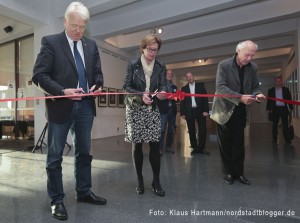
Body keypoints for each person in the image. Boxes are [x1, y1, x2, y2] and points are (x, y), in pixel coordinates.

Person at [32, 2, 106, 220]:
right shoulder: (51, 42)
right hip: (60, 107)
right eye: (74, 25)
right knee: (54, 157)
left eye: (82, 27)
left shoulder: (91, 46)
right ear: (65, 21)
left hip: (85, 106)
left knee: (84, 153)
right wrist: (62, 91)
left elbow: (98, 74)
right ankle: (56, 200)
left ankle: (83, 191)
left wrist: (98, 85)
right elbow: (39, 75)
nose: (78, 31)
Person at [210, 40, 265, 185]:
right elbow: (220, 88)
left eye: (252, 55)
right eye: (247, 54)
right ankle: (228, 172)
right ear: (238, 51)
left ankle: (239, 173)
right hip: (224, 109)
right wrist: (240, 97)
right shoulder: (224, 65)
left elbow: (255, 86)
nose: (250, 58)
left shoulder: (253, 67)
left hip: (241, 110)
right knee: (226, 143)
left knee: (239, 143)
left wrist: (258, 94)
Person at [123, 34, 167, 197]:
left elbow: (163, 86)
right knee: (138, 145)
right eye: (150, 49)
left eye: (156, 50)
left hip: (152, 108)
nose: (153, 53)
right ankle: (139, 179)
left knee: (155, 144)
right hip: (135, 108)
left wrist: (162, 94)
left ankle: (156, 181)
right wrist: (142, 95)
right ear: (143, 48)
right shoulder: (133, 64)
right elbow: (126, 87)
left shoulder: (161, 66)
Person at [180, 72, 210, 156]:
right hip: (189, 111)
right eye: (187, 77)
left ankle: (201, 148)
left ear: (194, 77)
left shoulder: (200, 86)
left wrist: (206, 110)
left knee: (203, 129)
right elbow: (182, 101)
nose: (189, 78)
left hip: (200, 111)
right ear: (186, 79)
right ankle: (194, 148)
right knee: (191, 130)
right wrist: (182, 113)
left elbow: (205, 99)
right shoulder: (184, 88)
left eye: (190, 76)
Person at [266, 76, 293, 144]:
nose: (278, 82)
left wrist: (291, 108)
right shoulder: (271, 90)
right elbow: (269, 101)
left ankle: (287, 139)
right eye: (276, 81)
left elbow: (289, 99)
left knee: (285, 124)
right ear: (275, 82)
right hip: (275, 109)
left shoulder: (286, 89)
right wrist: (268, 109)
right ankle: (274, 139)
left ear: (281, 82)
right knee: (274, 125)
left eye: (279, 81)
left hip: (284, 109)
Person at [158, 69, 177, 155]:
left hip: (172, 110)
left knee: (171, 130)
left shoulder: (174, 87)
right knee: (162, 130)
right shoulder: (161, 86)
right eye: (168, 74)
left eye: (171, 74)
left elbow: (176, 99)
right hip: (163, 111)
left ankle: (168, 147)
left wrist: (177, 97)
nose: (169, 75)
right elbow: (158, 97)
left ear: (172, 76)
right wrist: (168, 96)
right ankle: (159, 149)